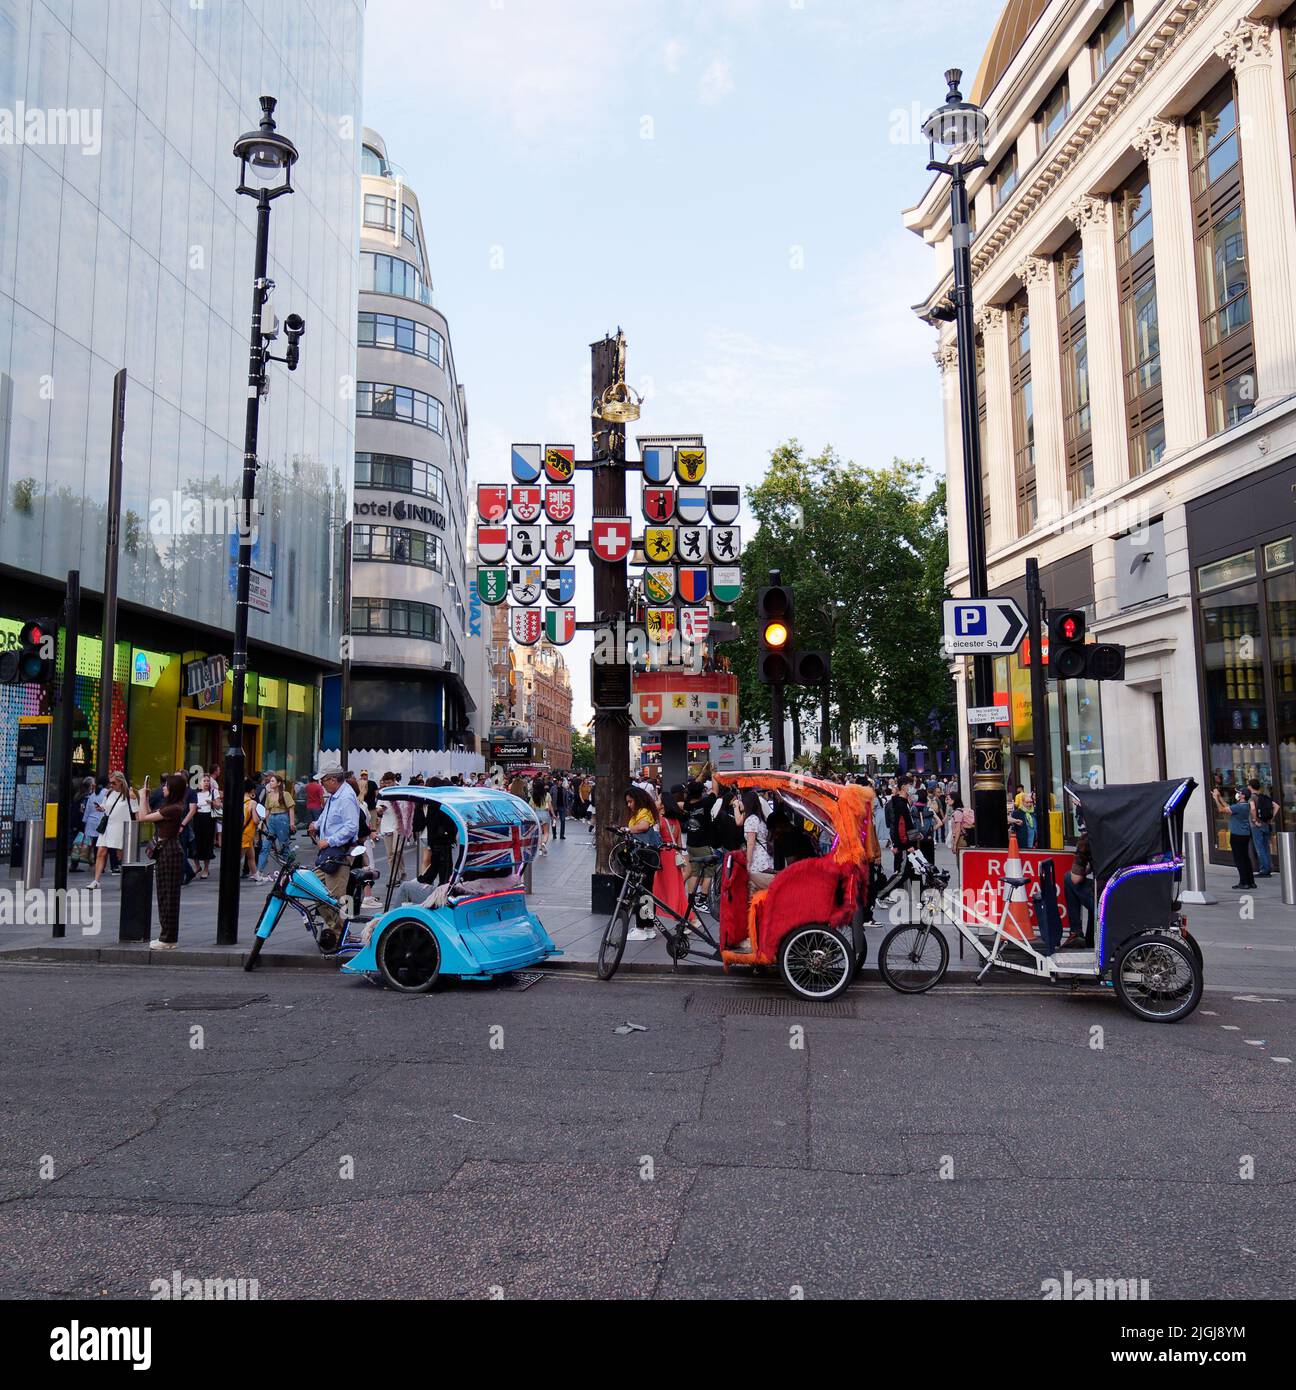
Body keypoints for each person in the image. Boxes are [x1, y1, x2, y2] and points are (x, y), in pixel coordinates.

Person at [136, 774, 189, 949]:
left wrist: (142, 796)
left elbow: (143, 818)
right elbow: (148, 815)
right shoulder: (172, 806)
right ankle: (167, 937)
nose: (163, 788)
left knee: (168, 895)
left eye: (166, 786)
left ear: (173, 789)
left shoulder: (173, 808)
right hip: (167, 850)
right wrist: (144, 798)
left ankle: (168, 939)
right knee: (165, 894)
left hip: (169, 851)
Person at [309, 766, 363, 936]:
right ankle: (335, 928)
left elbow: (351, 827)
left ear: (332, 779)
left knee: (335, 897)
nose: (322, 784)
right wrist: (316, 825)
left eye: (323, 780)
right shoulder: (335, 796)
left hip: (339, 852)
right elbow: (328, 817)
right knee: (314, 889)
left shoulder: (346, 797)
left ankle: (339, 933)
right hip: (329, 853)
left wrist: (329, 841)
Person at [90, 772, 137, 888]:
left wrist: (136, 826)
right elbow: (105, 806)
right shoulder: (109, 792)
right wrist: (100, 808)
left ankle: (126, 880)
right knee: (101, 852)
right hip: (108, 826)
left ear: (121, 782)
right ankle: (96, 881)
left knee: (121, 856)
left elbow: (136, 811)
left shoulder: (128, 794)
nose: (111, 785)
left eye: (114, 783)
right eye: (110, 783)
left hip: (121, 827)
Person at [1213, 785, 1257, 889]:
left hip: (1237, 835)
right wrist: (1220, 797)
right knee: (1245, 858)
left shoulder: (1239, 807)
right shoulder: (1244, 806)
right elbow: (1227, 807)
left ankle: (1244, 882)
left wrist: (1215, 799)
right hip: (1245, 835)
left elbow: (1221, 810)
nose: (1237, 794)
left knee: (1239, 859)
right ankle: (1251, 882)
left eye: (1239, 793)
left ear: (1242, 796)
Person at [256, 771, 296, 881]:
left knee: (284, 845)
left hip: (282, 819)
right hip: (272, 819)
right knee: (265, 846)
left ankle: (287, 871)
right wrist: (261, 822)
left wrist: (292, 823)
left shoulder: (285, 794)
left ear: (279, 783)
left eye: (273, 781)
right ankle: (259, 871)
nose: (270, 782)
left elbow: (291, 808)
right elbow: (267, 810)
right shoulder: (269, 795)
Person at [1061, 831, 1095, 949]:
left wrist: (1085, 869)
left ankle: (1076, 932)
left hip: (1103, 896)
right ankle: (1089, 940)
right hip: (1126, 891)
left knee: (1068, 878)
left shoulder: (1087, 839)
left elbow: (1076, 878)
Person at [885, 781, 915, 876]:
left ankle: (915, 890)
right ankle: (899, 890)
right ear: (903, 787)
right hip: (904, 845)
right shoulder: (899, 804)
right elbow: (899, 825)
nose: (912, 788)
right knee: (901, 873)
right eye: (910, 785)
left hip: (906, 843)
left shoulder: (904, 802)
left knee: (913, 872)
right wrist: (906, 844)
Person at [192, 773, 219, 877]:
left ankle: (206, 869)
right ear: (200, 783)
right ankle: (197, 866)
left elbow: (219, 805)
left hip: (209, 818)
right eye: (204, 781)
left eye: (208, 781)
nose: (206, 783)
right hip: (198, 818)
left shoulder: (213, 792)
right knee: (195, 842)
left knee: (207, 843)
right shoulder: (195, 793)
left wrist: (211, 802)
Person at [1249, 778, 1275, 878]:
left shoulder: (1252, 797)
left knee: (1260, 848)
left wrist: (1255, 820)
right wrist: (1270, 819)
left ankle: (1264, 869)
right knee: (1266, 847)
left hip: (1257, 826)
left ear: (1250, 786)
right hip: (1266, 824)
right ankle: (1268, 868)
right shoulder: (1264, 796)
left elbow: (1253, 808)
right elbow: (1276, 806)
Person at [531, 775, 553, 854]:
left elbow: (531, 807)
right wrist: (553, 815)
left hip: (536, 814)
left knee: (539, 832)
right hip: (545, 814)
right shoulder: (547, 795)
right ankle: (543, 844)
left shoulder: (533, 796)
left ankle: (540, 849)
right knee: (546, 832)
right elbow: (550, 806)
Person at [553, 776, 568, 840]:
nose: (560, 782)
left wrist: (566, 807)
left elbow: (566, 798)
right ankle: (554, 834)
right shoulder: (553, 788)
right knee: (554, 821)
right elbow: (550, 797)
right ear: (557, 781)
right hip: (554, 806)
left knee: (563, 820)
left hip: (562, 806)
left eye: (561, 781)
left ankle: (562, 835)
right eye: (559, 781)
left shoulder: (564, 789)